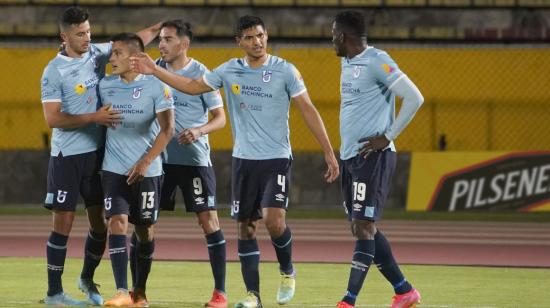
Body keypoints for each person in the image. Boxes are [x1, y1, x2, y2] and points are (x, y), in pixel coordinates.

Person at [131, 15, 339, 308]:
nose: (257, 42)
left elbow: (308, 110)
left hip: (276, 157)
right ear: (239, 42)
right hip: (243, 160)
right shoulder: (229, 70)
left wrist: (329, 151)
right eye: (250, 38)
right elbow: (191, 87)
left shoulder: (285, 70)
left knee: (272, 219)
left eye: (261, 36)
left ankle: (287, 270)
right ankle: (253, 295)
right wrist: (154, 71)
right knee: (245, 227)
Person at [40, 6, 161, 306]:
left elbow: (133, 43)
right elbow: (53, 118)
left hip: (97, 156)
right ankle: (54, 292)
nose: (87, 38)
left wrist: (160, 27)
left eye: (89, 31)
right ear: (64, 36)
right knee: (63, 224)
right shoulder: (53, 71)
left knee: (99, 225)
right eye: (80, 33)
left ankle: (86, 277)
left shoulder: (96, 53)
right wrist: (94, 117)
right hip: (67, 155)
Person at [331, 10, 424, 308]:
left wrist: (388, 136)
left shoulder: (377, 61)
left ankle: (349, 299)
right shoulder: (348, 62)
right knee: (361, 226)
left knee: (364, 225)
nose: (331, 40)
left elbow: (414, 97)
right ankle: (404, 290)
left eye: (333, 34)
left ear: (343, 36)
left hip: (374, 157)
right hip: (350, 158)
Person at [141, 19, 227, 308]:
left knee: (209, 221)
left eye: (167, 39)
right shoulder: (152, 69)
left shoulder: (202, 74)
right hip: (159, 161)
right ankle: (137, 293)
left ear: (184, 44)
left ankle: (220, 294)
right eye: (160, 40)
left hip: (194, 161)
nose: (161, 44)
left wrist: (200, 130)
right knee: (145, 224)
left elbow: (220, 118)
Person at [98, 33, 175, 307]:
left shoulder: (157, 86)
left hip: (148, 171)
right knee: (117, 221)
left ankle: (139, 290)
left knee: (144, 231)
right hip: (114, 169)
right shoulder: (105, 86)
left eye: (117, 53)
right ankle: (121, 292)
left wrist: (144, 162)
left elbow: (168, 130)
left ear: (134, 57)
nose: (112, 58)